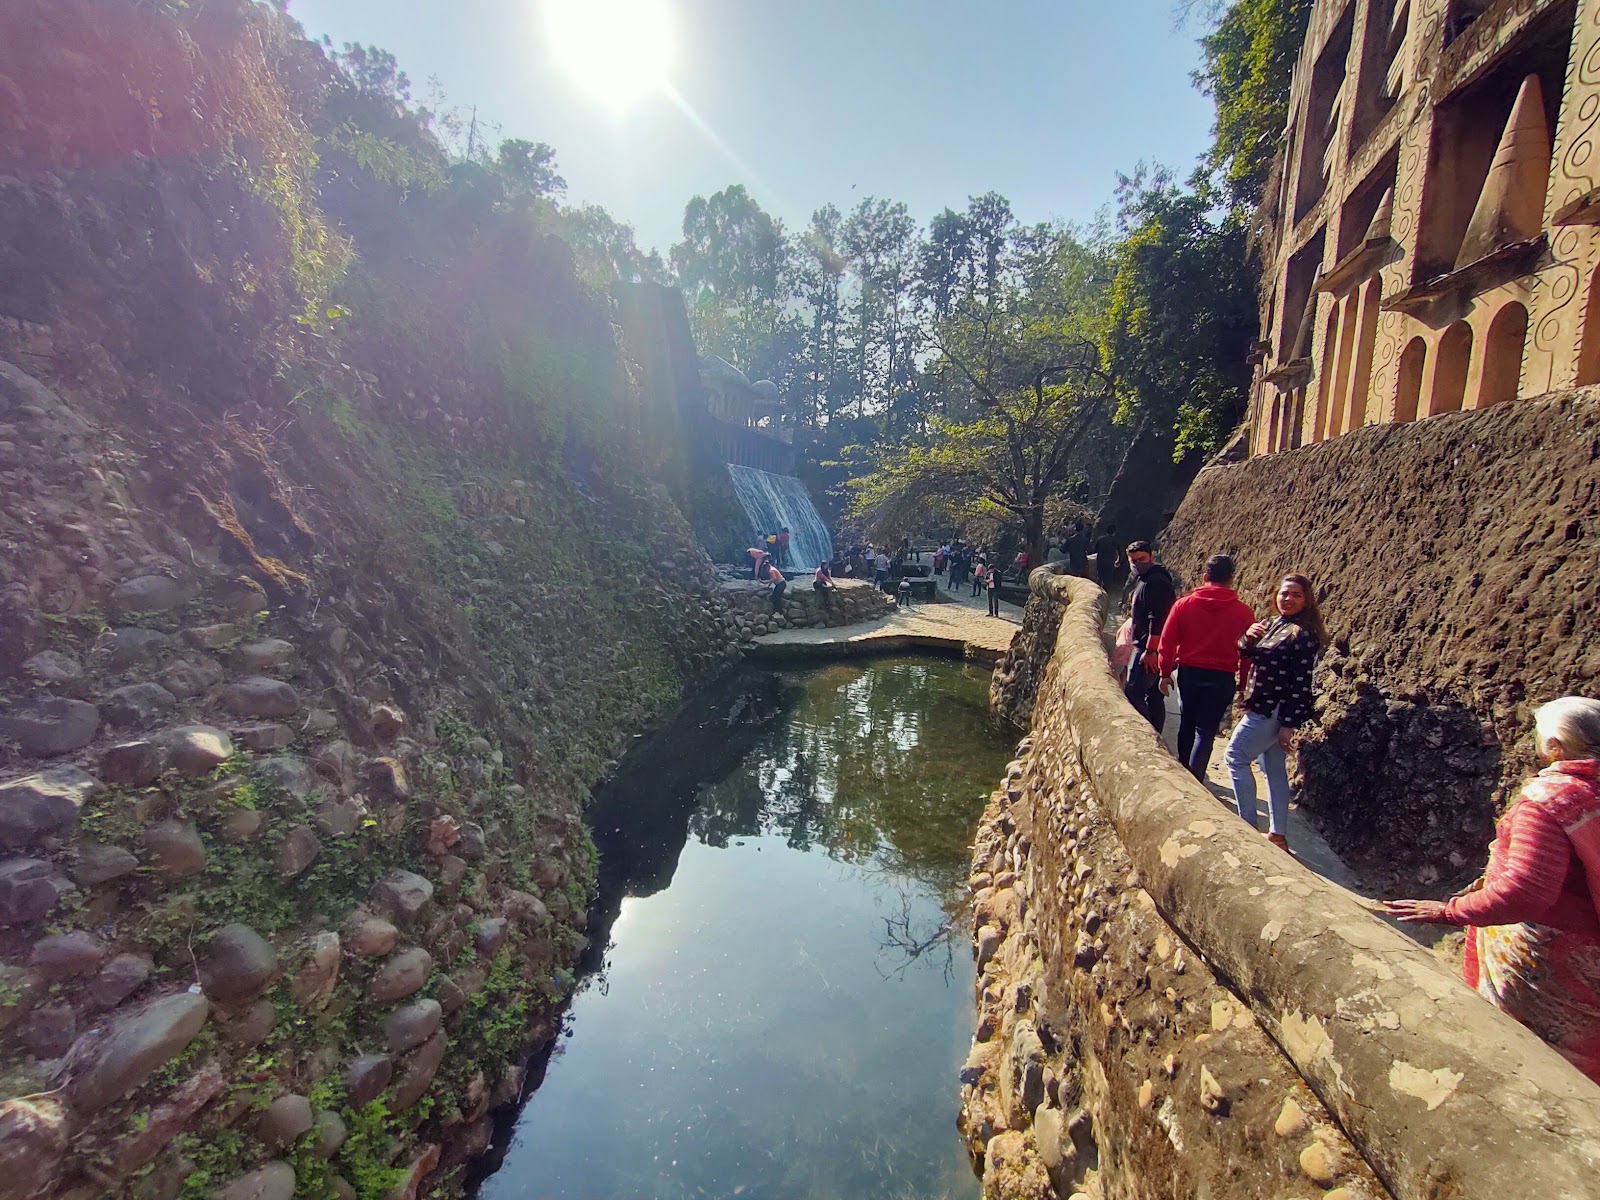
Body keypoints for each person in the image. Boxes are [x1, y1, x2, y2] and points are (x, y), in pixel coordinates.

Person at [1384, 698, 1600, 1084]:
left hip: (1551, 955)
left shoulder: (1553, 800)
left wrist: (1450, 911)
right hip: (1590, 950)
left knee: (1532, 1057)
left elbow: (1527, 891)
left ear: (1554, 746)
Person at [1222, 573, 1326, 852]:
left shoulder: (1303, 635)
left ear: (1307, 601)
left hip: (1272, 709)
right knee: (1273, 768)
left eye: (1296, 595)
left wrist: (1287, 724)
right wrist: (1248, 636)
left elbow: (1301, 683)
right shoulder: (1275, 624)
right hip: (1262, 704)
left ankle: (1247, 828)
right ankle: (1277, 834)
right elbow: (1246, 652)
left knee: (1235, 758)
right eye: (1284, 594)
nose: (1288, 599)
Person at [1158, 555, 1258, 780]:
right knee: (1206, 732)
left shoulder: (1183, 605)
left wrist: (1164, 674)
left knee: (1187, 722)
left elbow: (1167, 642)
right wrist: (1243, 684)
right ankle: (1197, 778)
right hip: (1222, 677)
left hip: (1190, 673)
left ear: (1204, 577)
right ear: (1231, 579)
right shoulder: (1243, 612)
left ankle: (1183, 771)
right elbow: (1249, 653)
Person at [1123, 541, 1177, 732]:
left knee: (1133, 692)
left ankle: (1146, 735)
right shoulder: (1146, 578)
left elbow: (1158, 619)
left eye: (1142, 559)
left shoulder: (1155, 582)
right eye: (1134, 561)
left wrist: (1151, 650)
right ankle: (1156, 735)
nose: (1138, 564)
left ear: (1152, 557)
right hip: (1152, 647)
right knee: (1154, 695)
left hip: (1148, 648)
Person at [1093, 523, 1126, 600]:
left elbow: (1095, 550)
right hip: (1110, 561)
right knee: (1108, 579)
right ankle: (1106, 594)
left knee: (1099, 576)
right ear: (1114, 532)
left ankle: (1097, 593)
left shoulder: (1100, 539)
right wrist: (1119, 561)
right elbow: (1121, 552)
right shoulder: (1115, 540)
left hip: (1100, 560)